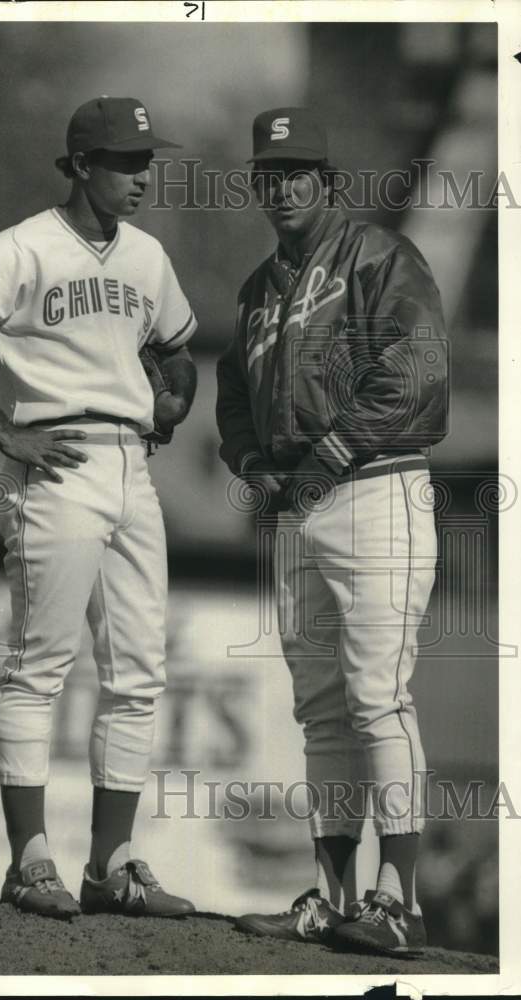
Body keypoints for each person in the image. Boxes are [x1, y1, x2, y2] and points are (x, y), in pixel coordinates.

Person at [0, 96, 198, 920]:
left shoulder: (147, 256)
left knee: (139, 672)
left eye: (145, 160)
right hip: (58, 457)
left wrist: (170, 403)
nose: (140, 175)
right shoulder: (21, 246)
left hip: (131, 470)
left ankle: (110, 867)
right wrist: (4, 431)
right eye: (122, 160)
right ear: (77, 165)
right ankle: (29, 860)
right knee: (40, 667)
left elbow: (179, 358)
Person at [216, 107, 448, 956]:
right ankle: (335, 895)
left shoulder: (379, 256)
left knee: (376, 695)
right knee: (320, 708)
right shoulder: (256, 290)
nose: (284, 187)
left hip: (376, 490)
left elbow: (415, 371)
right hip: (299, 505)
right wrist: (252, 464)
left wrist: (328, 454)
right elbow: (233, 397)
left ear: (330, 180)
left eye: (298, 172)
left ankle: (399, 902)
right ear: (256, 185)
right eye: (270, 175)